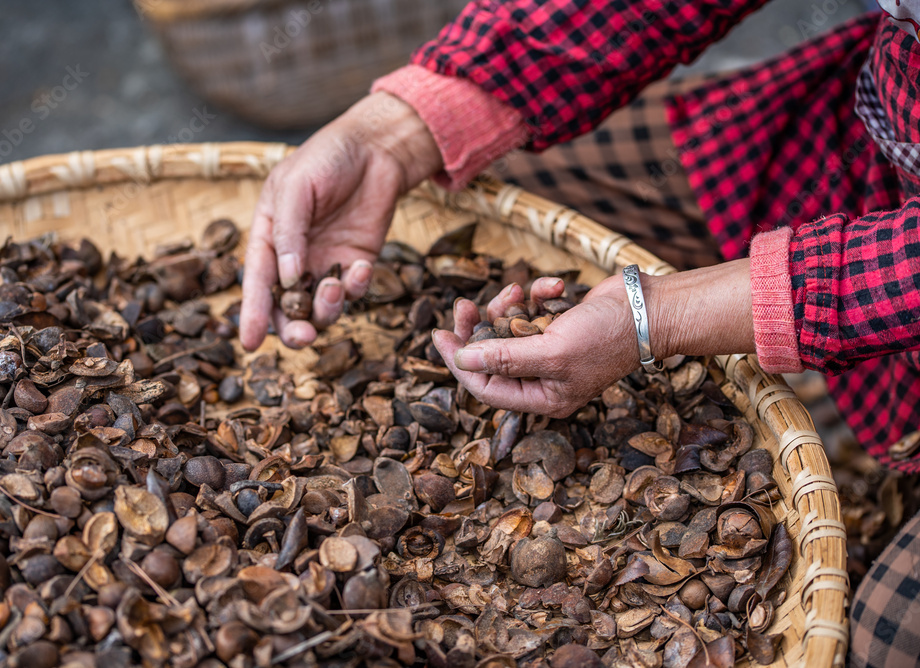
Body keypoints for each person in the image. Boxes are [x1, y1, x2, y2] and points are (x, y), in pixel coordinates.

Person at [238, 2, 920, 666]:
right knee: (504, 179)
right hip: (868, 133)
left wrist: (658, 313)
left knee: (885, 637)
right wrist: (395, 132)